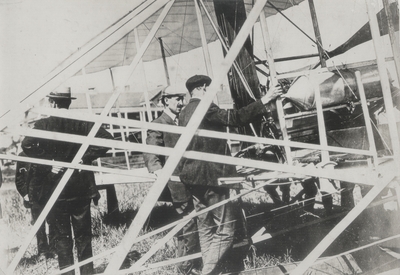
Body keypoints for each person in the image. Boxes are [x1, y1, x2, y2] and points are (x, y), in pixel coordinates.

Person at [178, 75, 283, 275]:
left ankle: (209, 269)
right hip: (212, 177)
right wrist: (265, 99)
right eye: (211, 89)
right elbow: (235, 118)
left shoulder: (184, 112)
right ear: (202, 88)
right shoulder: (205, 108)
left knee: (206, 228)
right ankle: (207, 271)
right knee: (226, 230)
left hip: (193, 177)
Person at [21, 87, 113, 275]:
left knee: (62, 238)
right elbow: (107, 139)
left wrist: (48, 164)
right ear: (68, 102)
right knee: (84, 236)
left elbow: (26, 145)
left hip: (55, 188)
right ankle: (88, 272)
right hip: (80, 187)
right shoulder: (83, 122)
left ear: (53, 102)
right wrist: (85, 158)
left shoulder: (43, 124)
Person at [143, 85, 201, 275]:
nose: (181, 102)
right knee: (189, 222)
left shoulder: (184, 121)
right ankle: (188, 267)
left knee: (190, 223)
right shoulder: (159, 123)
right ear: (165, 100)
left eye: (181, 98)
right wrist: (157, 170)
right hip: (177, 184)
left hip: (192, 179)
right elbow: (152, 150)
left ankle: (186, 264)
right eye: (175, 98)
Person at [15, 151, 56, 258]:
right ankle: (43, 251)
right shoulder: (23, 155)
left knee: (53, 221)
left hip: (48, 191)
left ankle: (54, 249)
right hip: (33, 194)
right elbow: (19, 178)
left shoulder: (47, 152)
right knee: (38, 224)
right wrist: (25, 194)